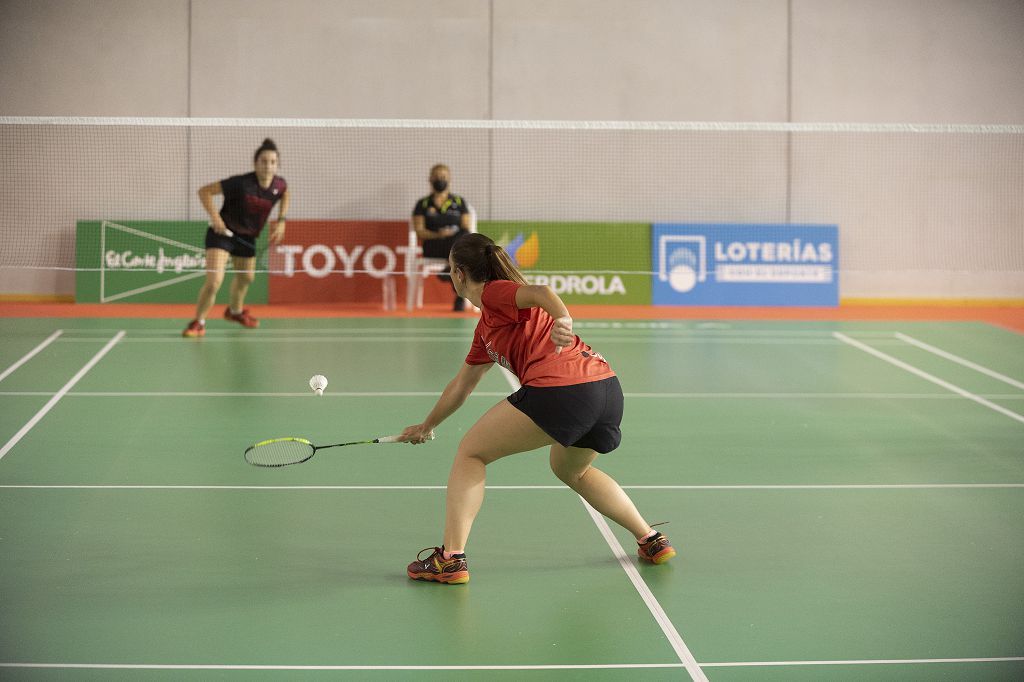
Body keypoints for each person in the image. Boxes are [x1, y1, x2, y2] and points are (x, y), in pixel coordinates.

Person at [400, 233, 675, 584]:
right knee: (570, 470)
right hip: (604, 389)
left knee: (471, 453)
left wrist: (563, 320)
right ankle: (651, 539)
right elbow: (462, 385)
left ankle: (450, 559)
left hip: (562, 390)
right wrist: (426, 425)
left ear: (460, 274)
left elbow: (543, 293)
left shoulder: (494, 292)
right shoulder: (486, 327)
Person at [182, 138, 290, 338]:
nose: (268, 166)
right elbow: (204, 191)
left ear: (277, 165)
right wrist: (215, 217)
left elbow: (285, 194)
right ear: (255, 163)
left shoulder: (279, 185)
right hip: (222, 234)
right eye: (264, 161)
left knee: (247, 277)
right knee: (214, 281)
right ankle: (199, 322)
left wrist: (281, 219)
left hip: (247, 238)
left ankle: (234, 312)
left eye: (273, 162)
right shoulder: (240, 183)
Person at [411, 163, 473, 311]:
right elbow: (419, 231)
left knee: (465, 236)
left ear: (449, 179)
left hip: (456, 243)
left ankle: (449, 269)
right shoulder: (423, 204)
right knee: (461, 251)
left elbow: (466, 226)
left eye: (444, 176)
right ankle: (454, 279)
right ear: (430, 179)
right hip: (434, 245)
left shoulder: (459, 202)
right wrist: (438, 234)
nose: (440, 179)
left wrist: (452, 236)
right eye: (437, 176)